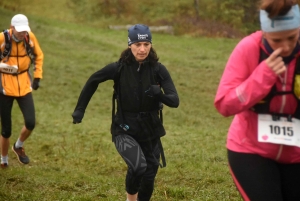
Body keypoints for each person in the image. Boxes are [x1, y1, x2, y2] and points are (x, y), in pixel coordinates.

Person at [72, 24, 179, 201]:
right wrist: (80, 110)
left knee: (149, 173)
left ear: (151, 44)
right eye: (138, 45)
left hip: (151, 129)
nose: (142, 49)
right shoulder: (119, 68)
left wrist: (158, 94)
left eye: (146, 44)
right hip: (124, 128)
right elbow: (93, 80)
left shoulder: (158, 70)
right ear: (130, 45)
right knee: (138, 166)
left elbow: (174, 100)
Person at [214, 0, 300, 200]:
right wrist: (263, 76)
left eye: (292, 38)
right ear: (264, 33)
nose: (285, 46)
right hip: (250, 150)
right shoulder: (249, 48)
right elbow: (225, 104)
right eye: (276, 40)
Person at [0, 14, 44, 168]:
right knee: (6, 130)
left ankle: (18, 146)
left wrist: (37, 77)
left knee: (31, 122)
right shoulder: (2, 39)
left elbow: (39, 56)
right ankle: (3, 160)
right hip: (4, 87)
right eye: (20, 31)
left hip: (24, 85)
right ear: (12, 28)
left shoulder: (29, 37)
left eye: (25, 31)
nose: (23, 34)